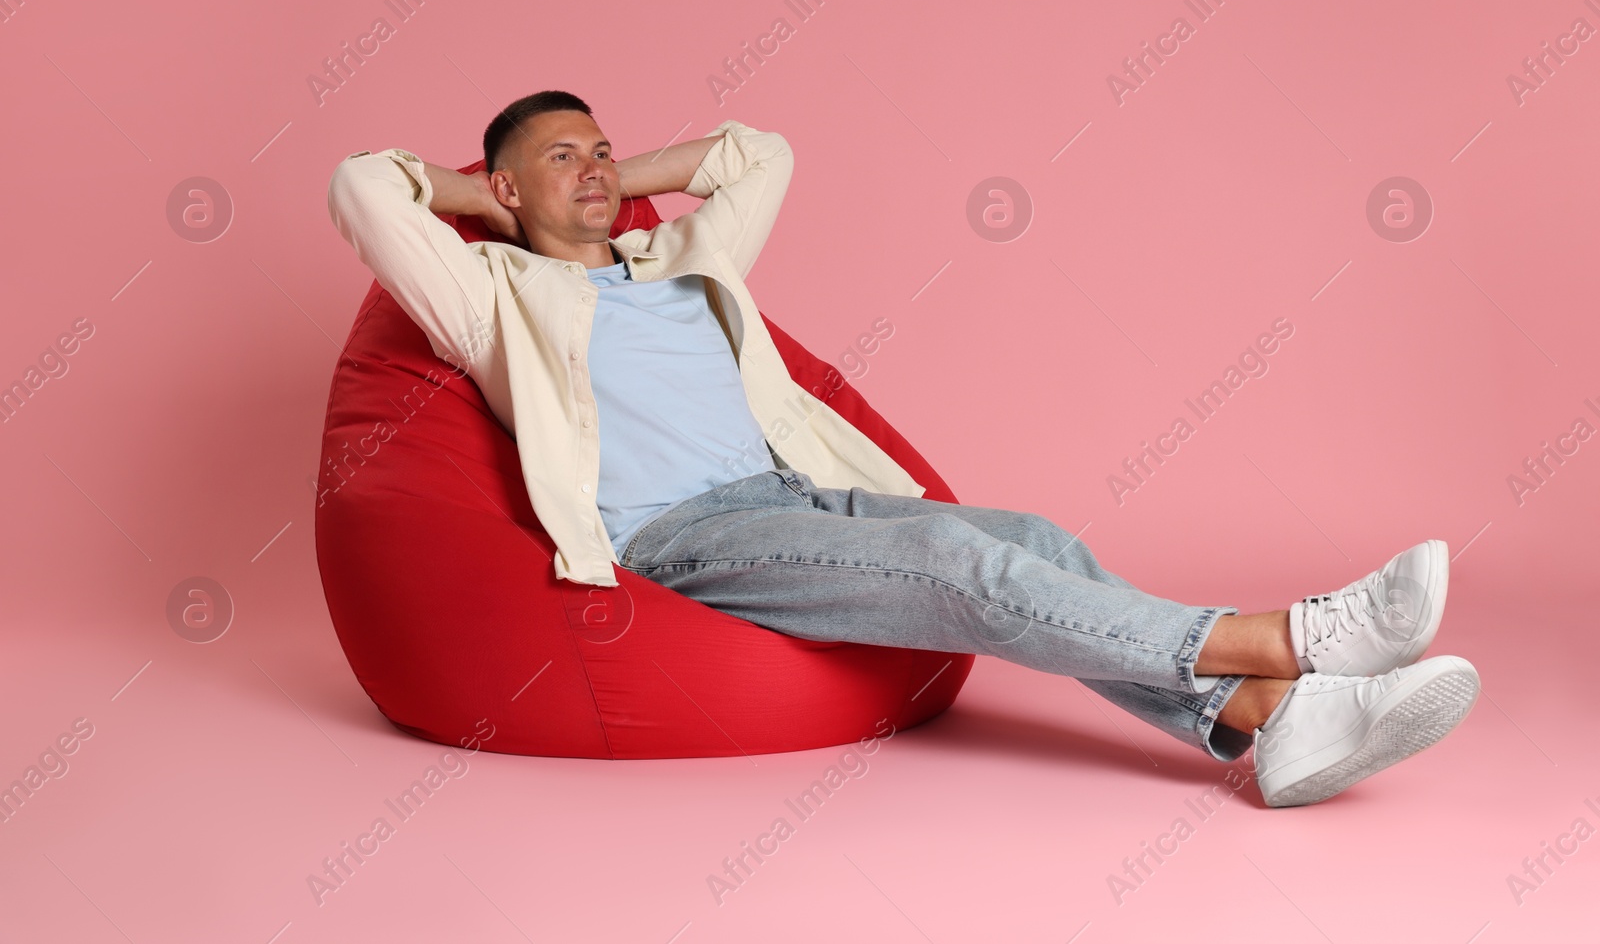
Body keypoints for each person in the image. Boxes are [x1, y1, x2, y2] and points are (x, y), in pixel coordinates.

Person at [327, 90, 1478, 808]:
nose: (593, 167)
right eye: (563, 156)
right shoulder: (490, 296)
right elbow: (361, 187)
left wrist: (612, 183)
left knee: (1031, 536)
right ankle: (1293, 637)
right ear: (506, 185)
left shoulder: (679, 257)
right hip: (682, 536)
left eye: (603, 149)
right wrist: (477, 199)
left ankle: (1268, 724)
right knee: (964, 573)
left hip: (799, 493)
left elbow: (757, 154)